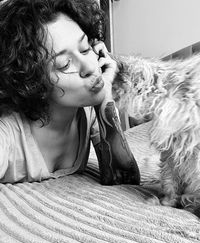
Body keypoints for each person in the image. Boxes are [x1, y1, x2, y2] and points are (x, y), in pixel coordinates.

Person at [0, 0, 140, 185]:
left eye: (85, 48)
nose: (90, 66)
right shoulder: (7, 134)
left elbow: (124, 178)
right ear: (33, 82)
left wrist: (104, 93)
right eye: (65, 64)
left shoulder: (88, 112)